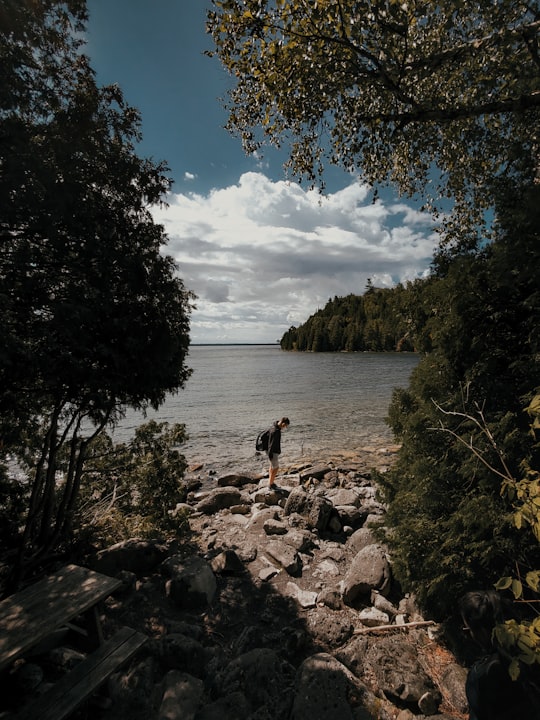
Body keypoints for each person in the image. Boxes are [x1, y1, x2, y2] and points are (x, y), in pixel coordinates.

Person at [459, 589, 540, 719]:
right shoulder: (533, 650)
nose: (468, 634)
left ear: (480, 631)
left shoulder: (480, 676)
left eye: (467, 629)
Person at [267, 417, 290, 489]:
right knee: (276, 468)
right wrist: (270, 454)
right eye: (285, 426)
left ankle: (270, 482)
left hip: (270, 451)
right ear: (283, 423)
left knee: (271, 467)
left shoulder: (274, 426)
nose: (285, 427)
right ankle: (270, 485)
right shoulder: (276, 431)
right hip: (273, 452)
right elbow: (272, 443)